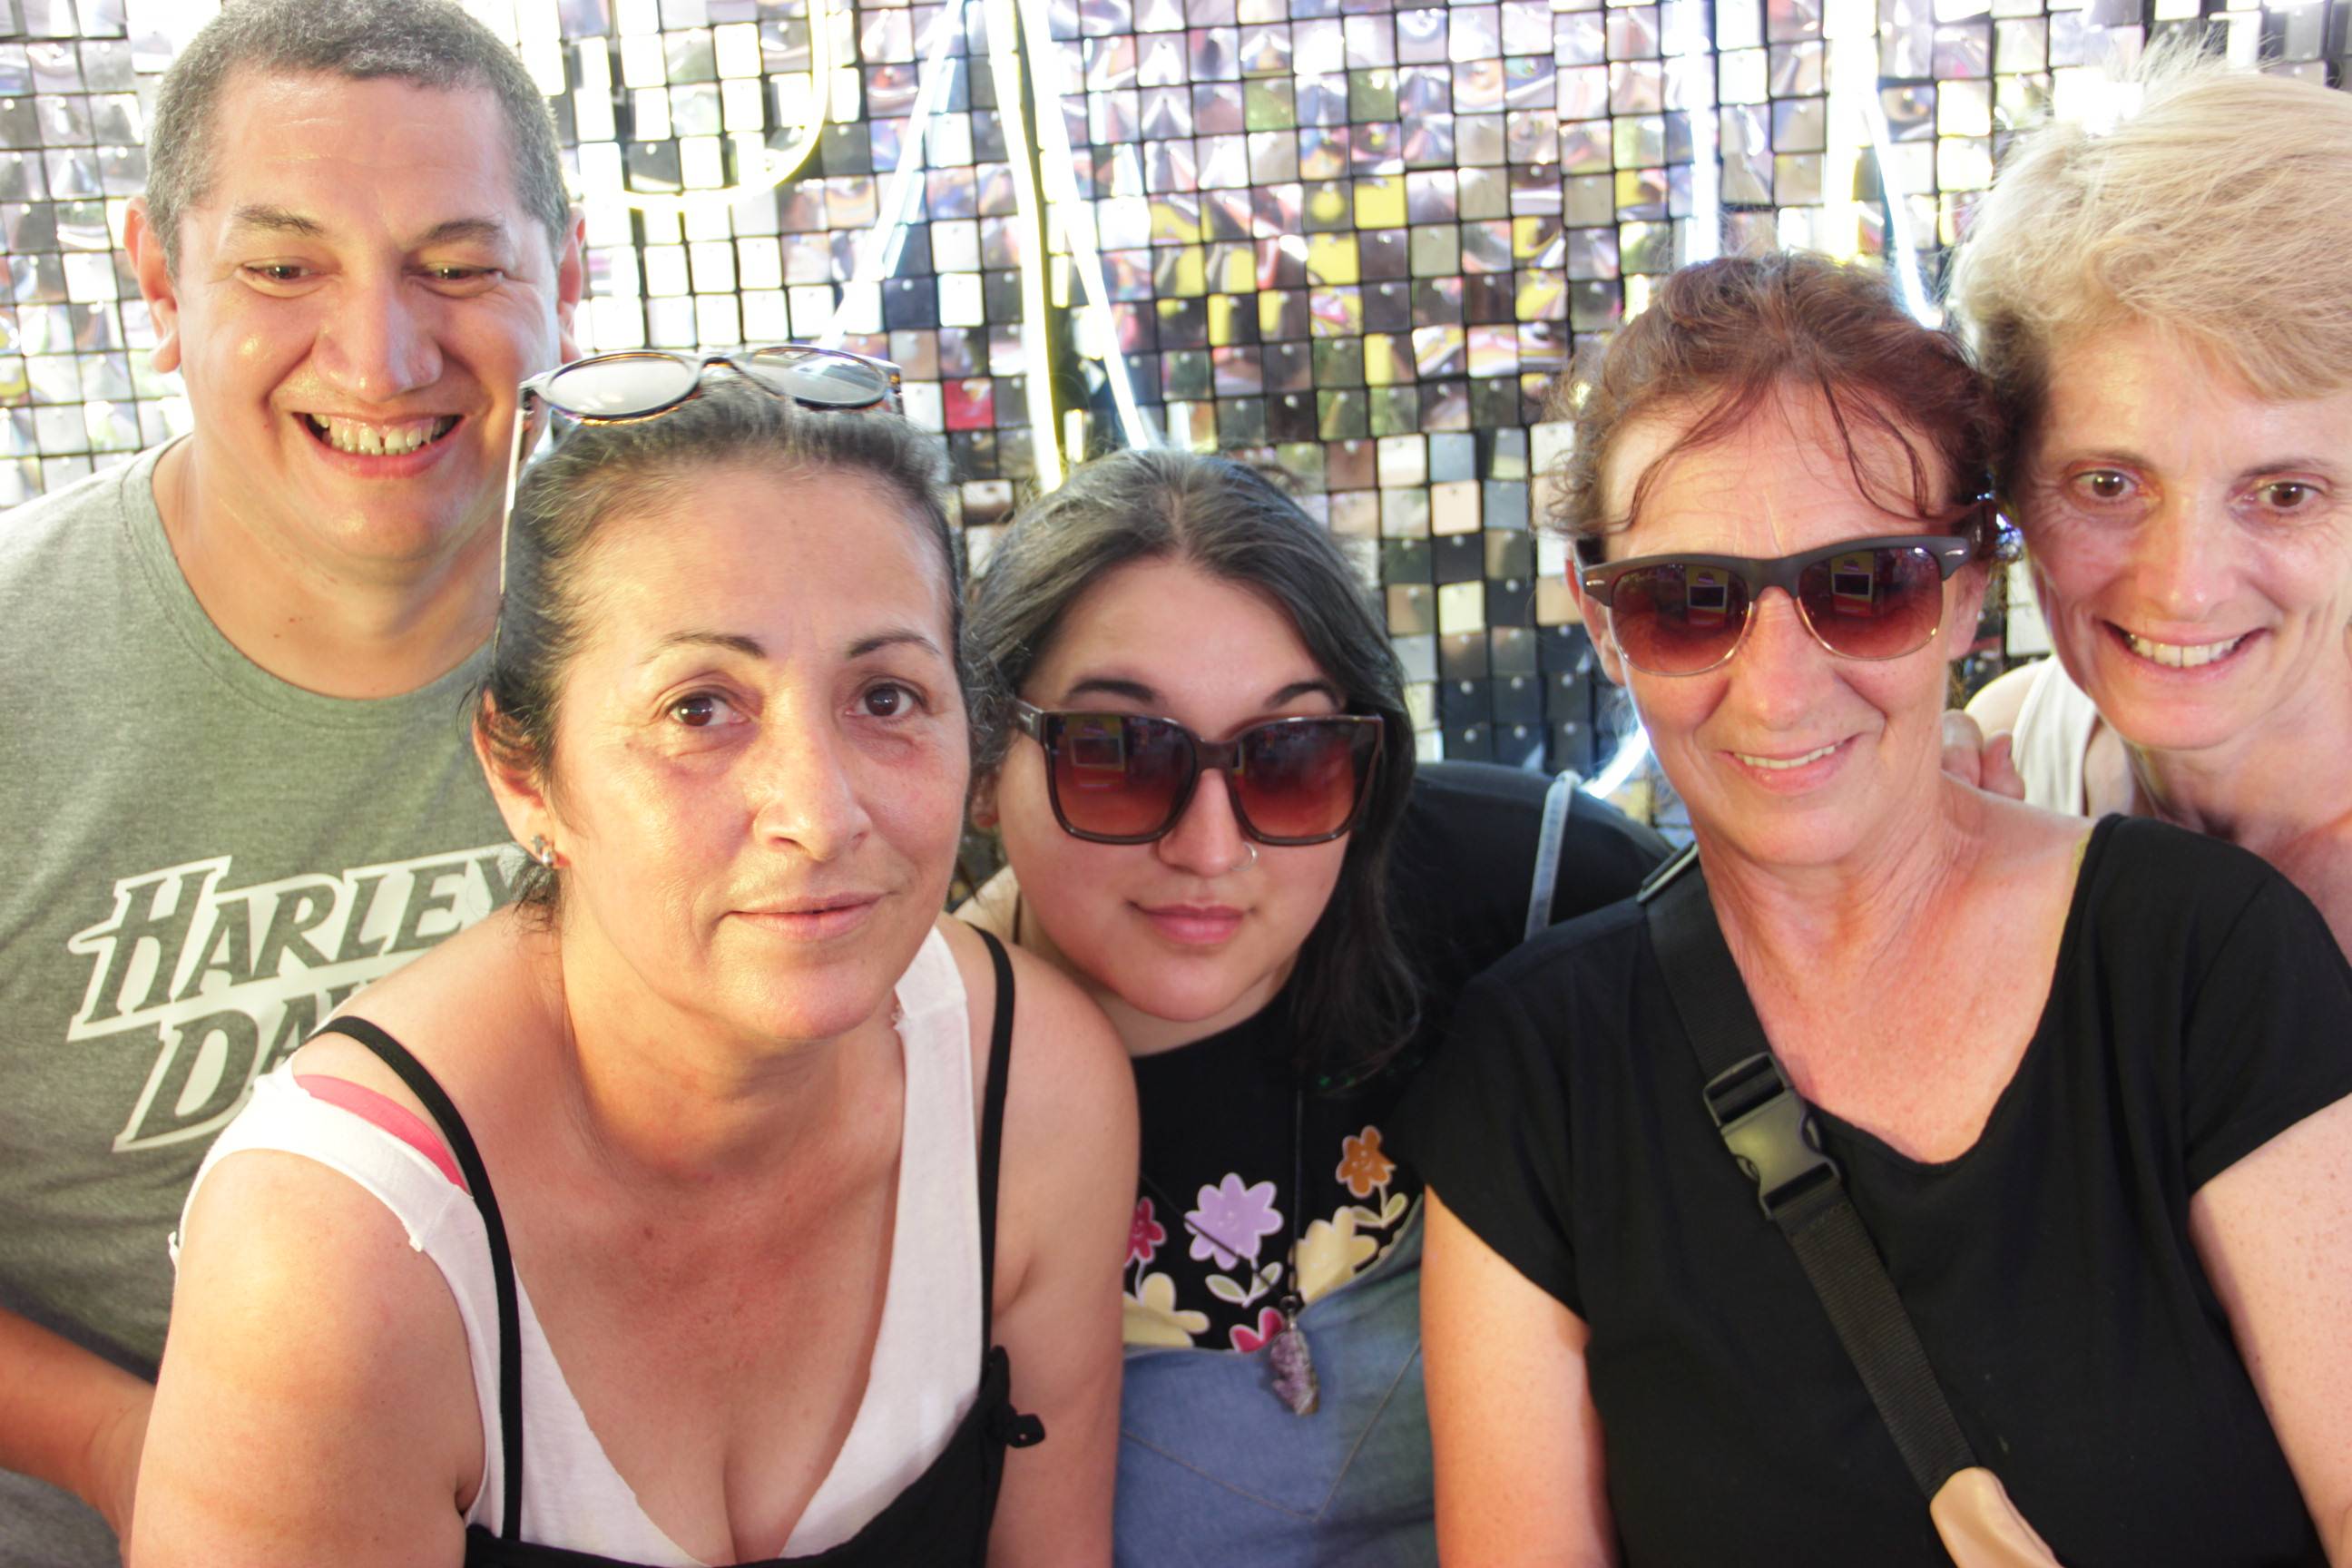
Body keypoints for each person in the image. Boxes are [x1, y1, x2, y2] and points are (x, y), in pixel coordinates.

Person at [1413, 252, 2352, 1564]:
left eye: (1865, 586)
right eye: (1688, 604)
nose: (1780, 690)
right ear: (1602, 621)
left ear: (1966, 589)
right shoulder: (1542, 1069)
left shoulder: (2201, 960)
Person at [131, 368, 1136, 1564]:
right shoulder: (341, 1258)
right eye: (700, 710)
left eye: (885, 696)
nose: (819, 813)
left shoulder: (1028, 1092)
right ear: (525, 776)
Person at [0, 3, 583, 1559]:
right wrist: (131, 1449)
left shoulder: (694, 647)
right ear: (158, 285)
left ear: (566, 280)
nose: (381, 357)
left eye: (457, 267)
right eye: (281, 269)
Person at [957, 446, 1665, 1566]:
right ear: (982, 762)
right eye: (1117, 755)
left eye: (1288, 756)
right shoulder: (904, 1086)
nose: (1209, 847)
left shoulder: (1535, 896)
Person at [1949, 53, 2352, 952]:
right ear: (2009, 484)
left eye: (2285, 494)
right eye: (2108, 485)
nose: (2185, 589)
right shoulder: (2006, 756)